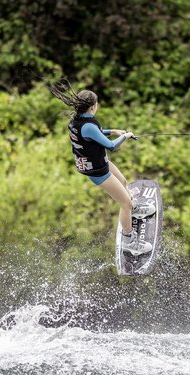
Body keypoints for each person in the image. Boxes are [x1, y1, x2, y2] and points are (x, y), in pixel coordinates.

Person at [48, 82, 155, 255]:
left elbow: (94, 133)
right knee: (125, 203)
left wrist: (113, 131)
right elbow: (111, 147)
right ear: (93, 107)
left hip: (98, 161)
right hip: (98, 171)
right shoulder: (88, 125)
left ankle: (133, 210)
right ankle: (129, 241)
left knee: (123, 181)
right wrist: (126, 136)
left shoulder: (77, 120)